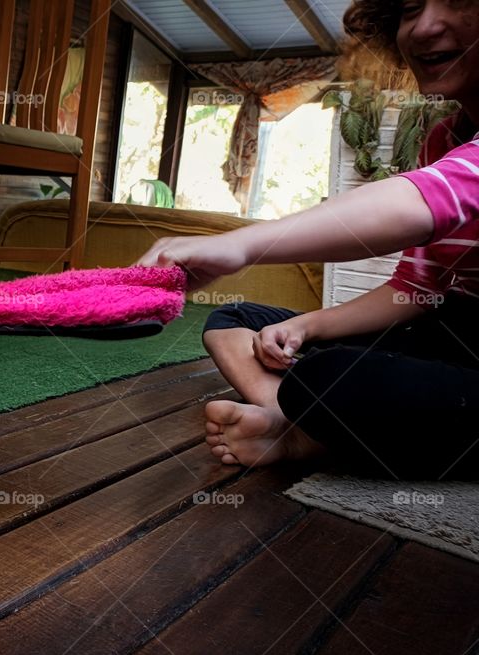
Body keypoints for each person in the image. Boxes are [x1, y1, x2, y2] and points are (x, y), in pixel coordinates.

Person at [137, 0, 479, 481]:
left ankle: (311, 430)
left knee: (332, 378)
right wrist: (307, 327)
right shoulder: (443, 139)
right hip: (447, 333)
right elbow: (420, 286)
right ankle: (295, 421)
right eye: (407, 8)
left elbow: (422, 202)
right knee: (236, 319)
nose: (424, 27)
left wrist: (240, 246)